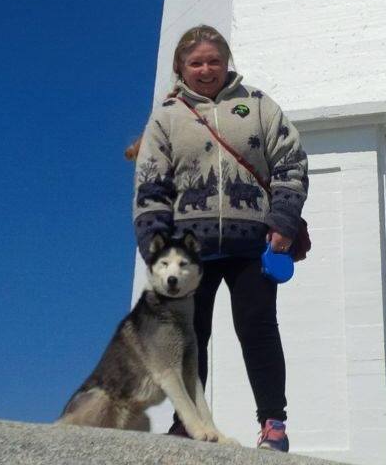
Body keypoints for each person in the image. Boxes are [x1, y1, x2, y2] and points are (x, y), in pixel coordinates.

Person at [129, 24, 308, 452]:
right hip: (188, 251)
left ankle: (273, 424)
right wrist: (155, 247)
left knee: (258, 329)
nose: (206, 69)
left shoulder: (259, 105)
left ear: (226, 62)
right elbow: (151, 185)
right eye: (196, 62)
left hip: (254, 243)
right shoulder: (167, 117)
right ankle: (187, 423)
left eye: (213, 60)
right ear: (181, 67)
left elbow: (290, 164)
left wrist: (283, 223)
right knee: (191, 335)